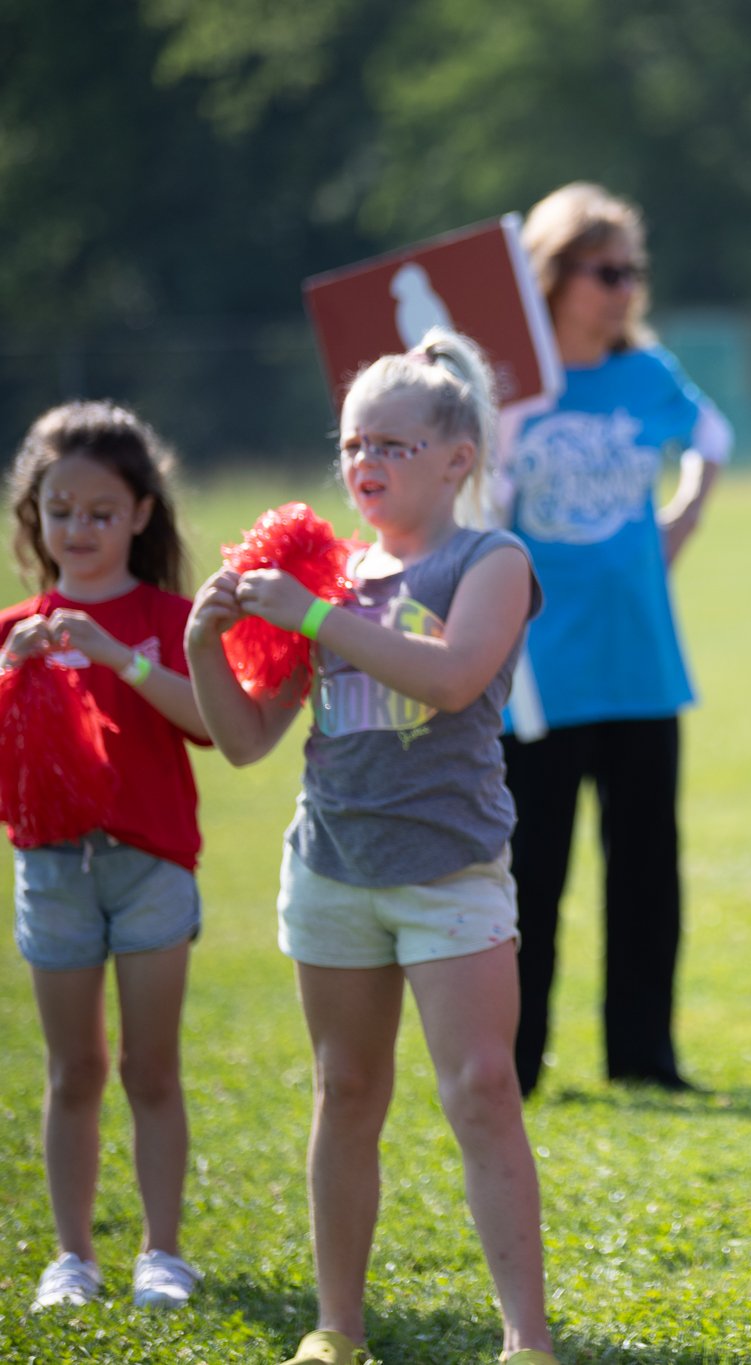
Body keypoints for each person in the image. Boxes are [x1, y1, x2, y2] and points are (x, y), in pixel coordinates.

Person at [187, 330, 556, 1365]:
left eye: (392, 444)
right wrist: (201, 646)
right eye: (354, 445)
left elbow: (449, 678)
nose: (366, 465)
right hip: (332, 872)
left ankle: (524, 1337)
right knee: (345, 1091)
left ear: (457, 458)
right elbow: (248, 739)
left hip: (451, 871)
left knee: (481, 1086)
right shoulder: (327, 574)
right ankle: (336, 1329)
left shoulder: (492, 560)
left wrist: (315, 614)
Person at [501, 181, 732, 1096]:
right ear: (553, 277)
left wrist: (682, 520)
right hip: (536, 674)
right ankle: (514, 1063)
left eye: (633, 271)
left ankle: (644, 1057)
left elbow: (711, 435)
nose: (625, 288)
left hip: (641, 661)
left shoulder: (650, 374)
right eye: (606, 271)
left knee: (646, 875)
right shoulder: (510, 390)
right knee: (530, 880)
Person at [2, 402, 208, 1313]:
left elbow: (211, 722)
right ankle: (72, 1258)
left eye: (99, 511)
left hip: (153, 864)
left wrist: (119, 656)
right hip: (52, 871)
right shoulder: (17, 625)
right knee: (72, 1069)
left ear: (139, 513)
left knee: (150, 1069)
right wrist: (11, 673)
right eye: (58, 511)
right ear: (32, 517)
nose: (77, 529)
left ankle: (162, 1253)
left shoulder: (170, 615)